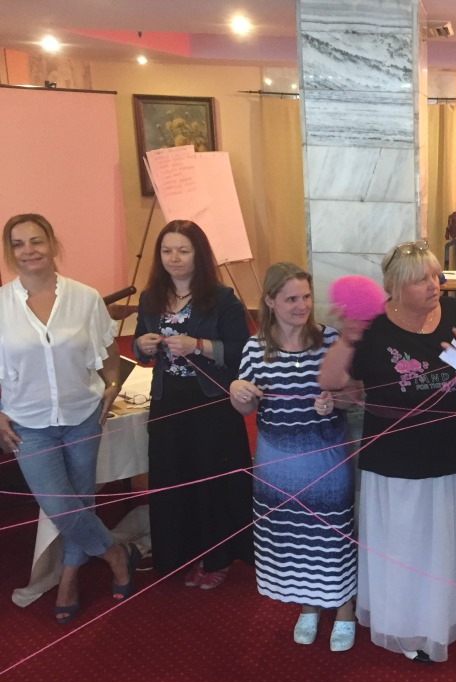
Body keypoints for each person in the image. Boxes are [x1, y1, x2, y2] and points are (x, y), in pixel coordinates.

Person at [319, 239, 456, 663]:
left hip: (450, 453)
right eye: (421, 280)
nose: (435, 285)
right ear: (395, 287)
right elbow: (330, 381)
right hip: (394, 461)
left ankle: (453, 614)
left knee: (449, 542)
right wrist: (347, 339)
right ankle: (403, 625)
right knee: (404, 547)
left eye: (436, 275)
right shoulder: (373, 326)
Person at [0, 213, 138, 623]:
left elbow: (108, 354)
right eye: (19, 244)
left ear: (52, 244)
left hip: (82, 416)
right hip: (27, 425)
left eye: (36, 240)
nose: (29, 251)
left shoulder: (85, 298)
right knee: (61, 506)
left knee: (82, 500)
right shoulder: (2, 305)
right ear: (10, 252)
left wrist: (111, 388)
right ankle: (115, 554)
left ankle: (68, 581)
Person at [230, 263, 357, 651]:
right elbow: (245, 408)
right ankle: (309, 605)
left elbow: (353, 396)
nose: (302, 305)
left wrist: (334, 401)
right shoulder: (255, 348)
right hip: (277, 465)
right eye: (291, 299)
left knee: (332, 535)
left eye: (306, 297)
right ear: (270, 302)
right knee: (294, 539)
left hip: (325, 459)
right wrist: (238, 392)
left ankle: (345, 609)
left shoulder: (330, 340)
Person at [133, 220, 252, 588]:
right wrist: (143, 345)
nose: (174, 258)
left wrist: (197, 345)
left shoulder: (222, 298)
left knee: (210, 481)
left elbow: (241, 351)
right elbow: (139, 348)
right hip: (167, 400)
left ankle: (218, 557)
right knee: (171, 478)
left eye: (183, 250)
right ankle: (178, 554)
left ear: (199, 254)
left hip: (210, 402)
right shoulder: (151, 297)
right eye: (167, 251)